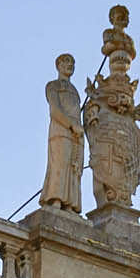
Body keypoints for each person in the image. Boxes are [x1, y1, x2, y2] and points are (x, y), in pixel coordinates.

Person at [40, 54, 84, 212]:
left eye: (73, 62)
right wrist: (71, 125)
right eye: (66, 61)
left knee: (75, 169)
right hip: (62, 130)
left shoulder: (75, 91)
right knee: (60, 164)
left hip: (77, 133)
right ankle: (55, 199)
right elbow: (55, 111)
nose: (70, 64)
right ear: (58, 65)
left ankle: (70, 204)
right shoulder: (53, 85)